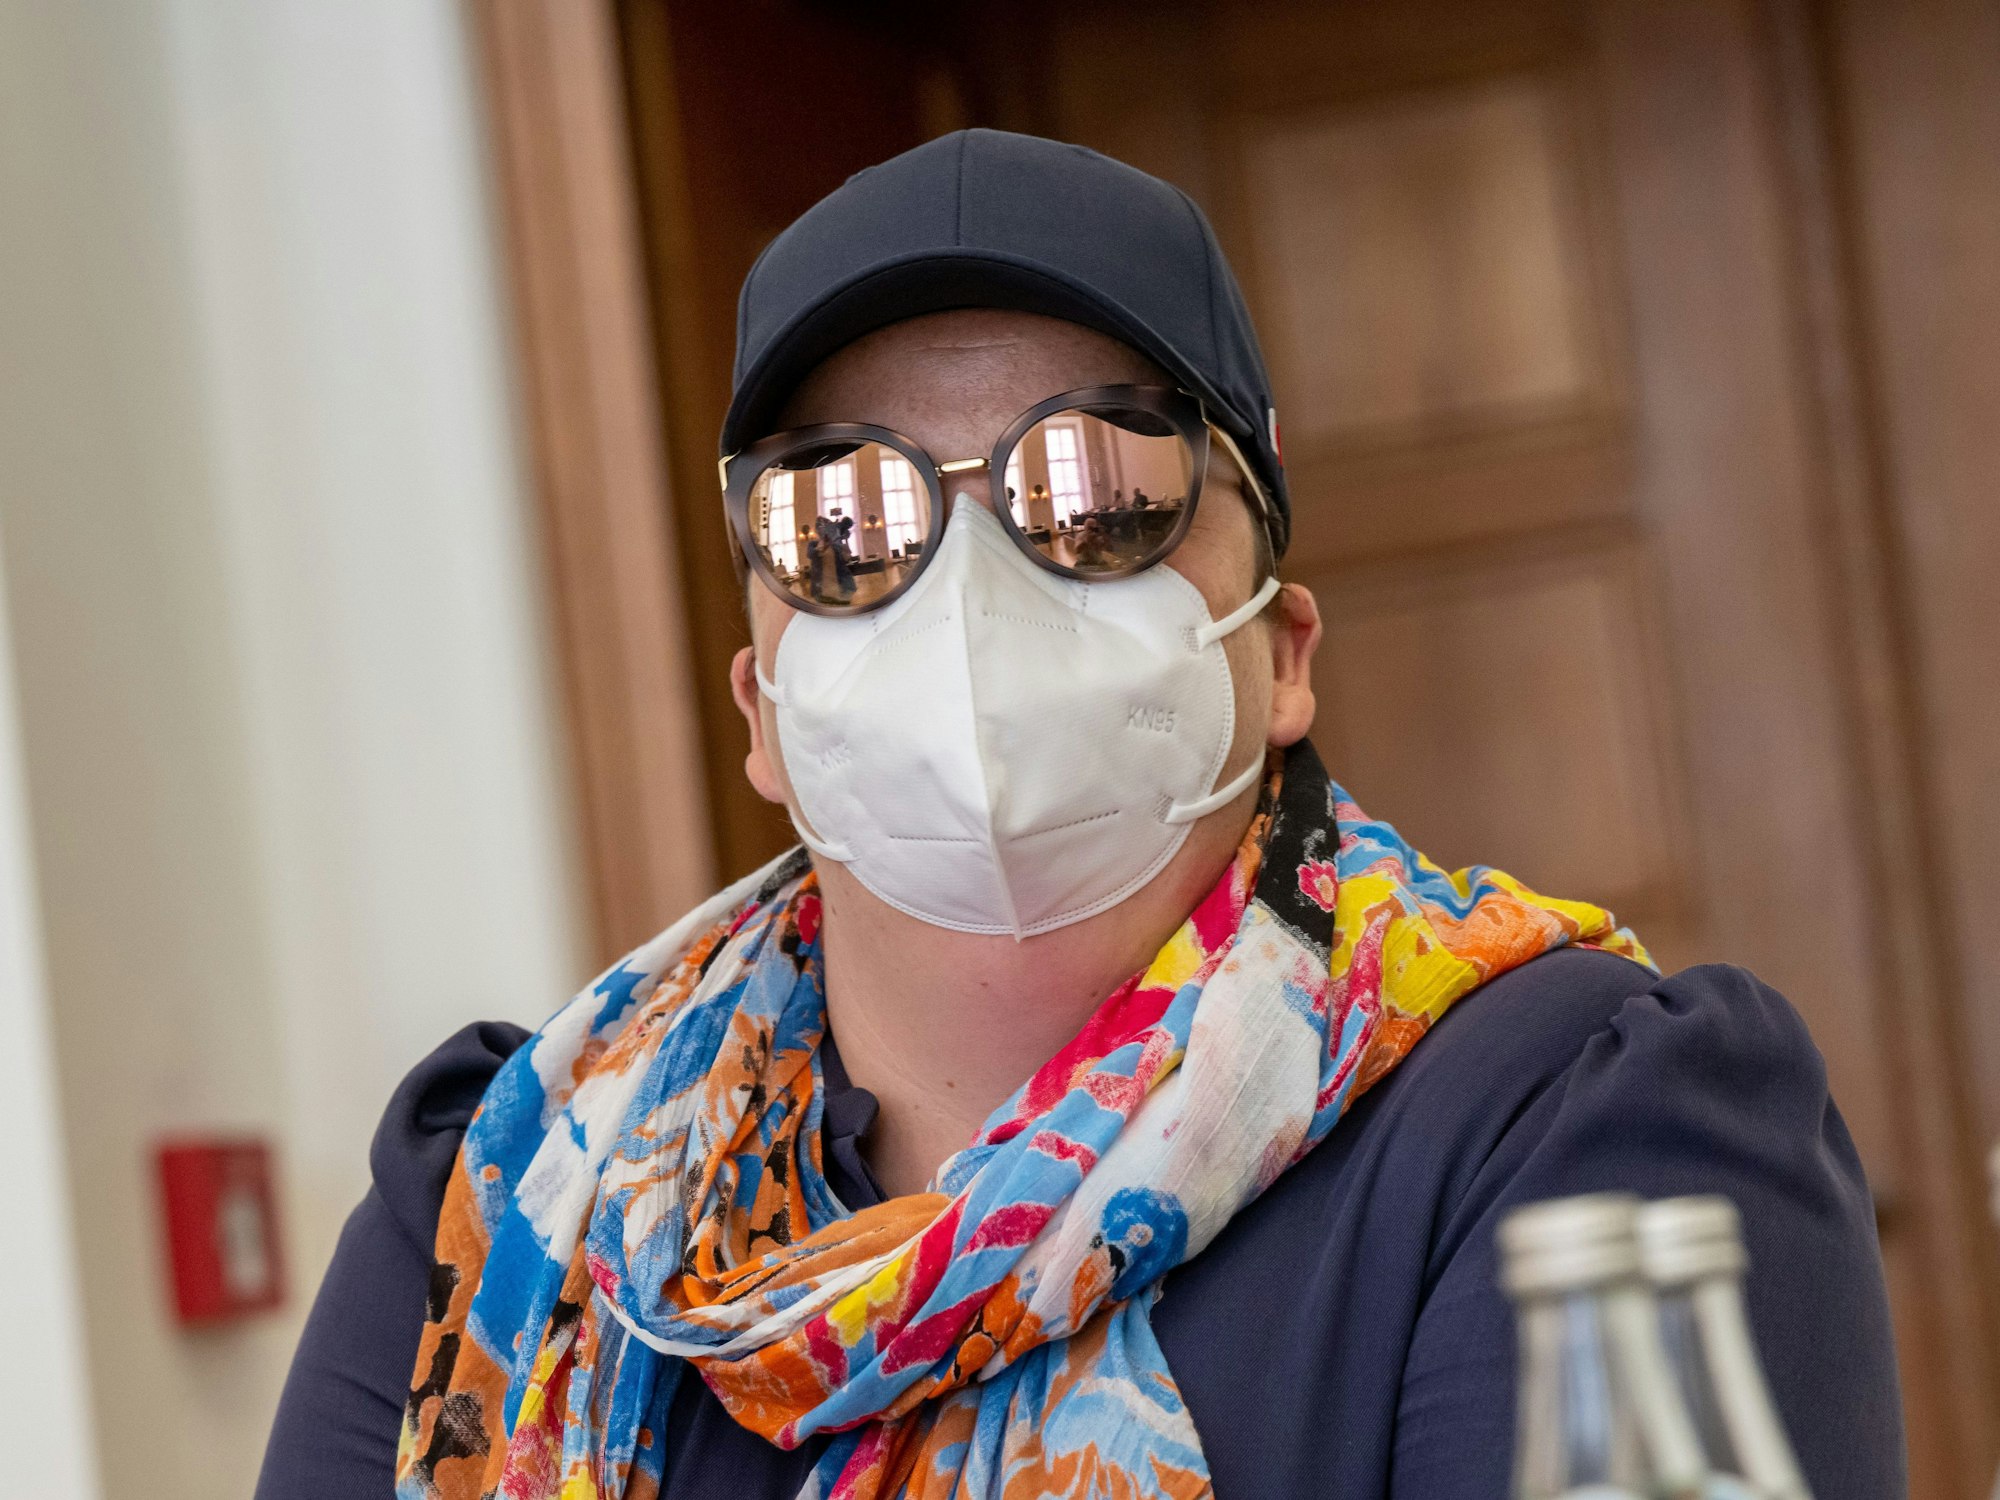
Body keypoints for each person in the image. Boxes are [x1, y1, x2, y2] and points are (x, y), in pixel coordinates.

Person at [258, 130, 1902, 1500]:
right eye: (846, 523)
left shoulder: (1576, 1130)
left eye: (1098, 492)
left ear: (1282, 653)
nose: (967, 598)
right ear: (761, 712)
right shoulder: (506, 1206)